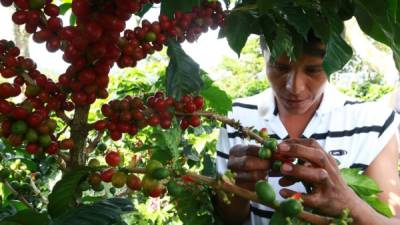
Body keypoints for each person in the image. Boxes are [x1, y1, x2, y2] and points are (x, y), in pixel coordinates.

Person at [215, 31, 400, 225]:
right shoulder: (235, 118)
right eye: (280, 67)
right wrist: (239, 188)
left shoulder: (374, 123)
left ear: (333, 64)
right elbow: (229, 218)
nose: (295, 88)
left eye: (313, 70)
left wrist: (352, 207)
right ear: (264, 57)